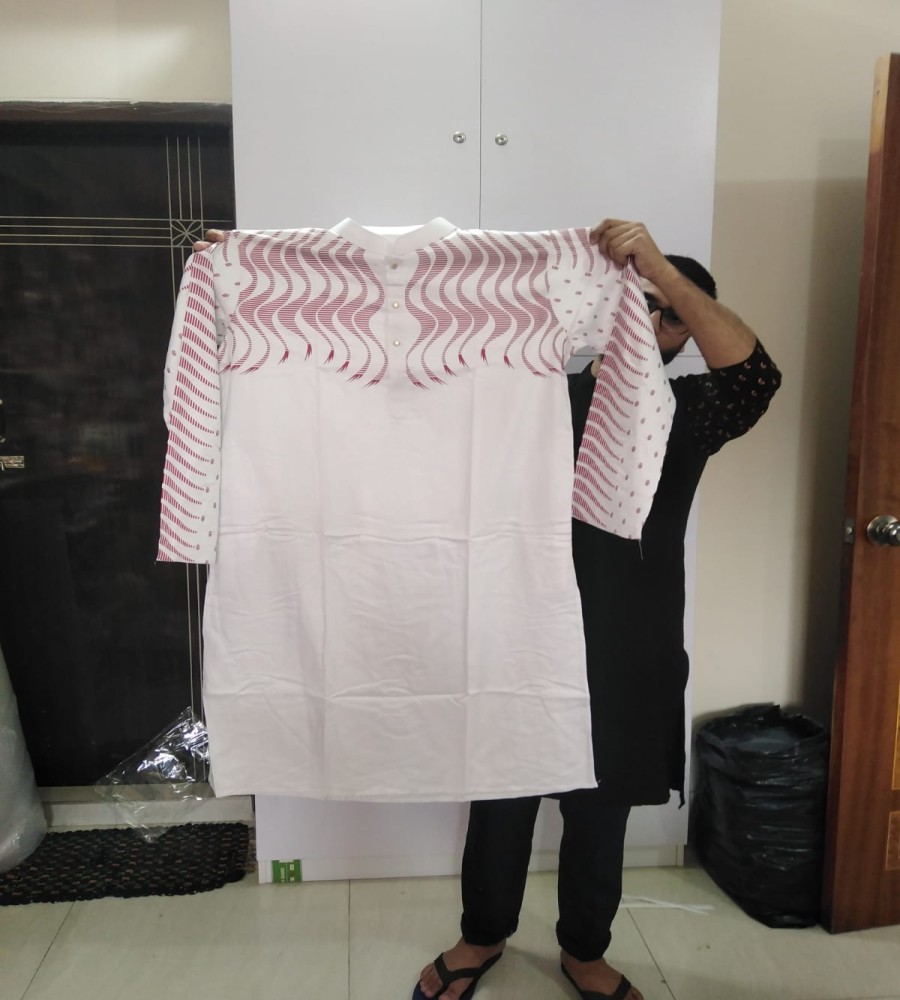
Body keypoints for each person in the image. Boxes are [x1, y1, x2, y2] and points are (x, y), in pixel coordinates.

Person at [192, 219, 781, 1000]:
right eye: (634, 302)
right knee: (501, 792)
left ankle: (585, 951)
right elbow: (395, 364)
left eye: (668, 316)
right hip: (514, 626)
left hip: (625, 642)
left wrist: (663, 274)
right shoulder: (525, 392)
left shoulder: (688, 412)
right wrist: (260, 269)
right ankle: (482, 936)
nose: (647, 321)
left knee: (601, 809)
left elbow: (757, 376)